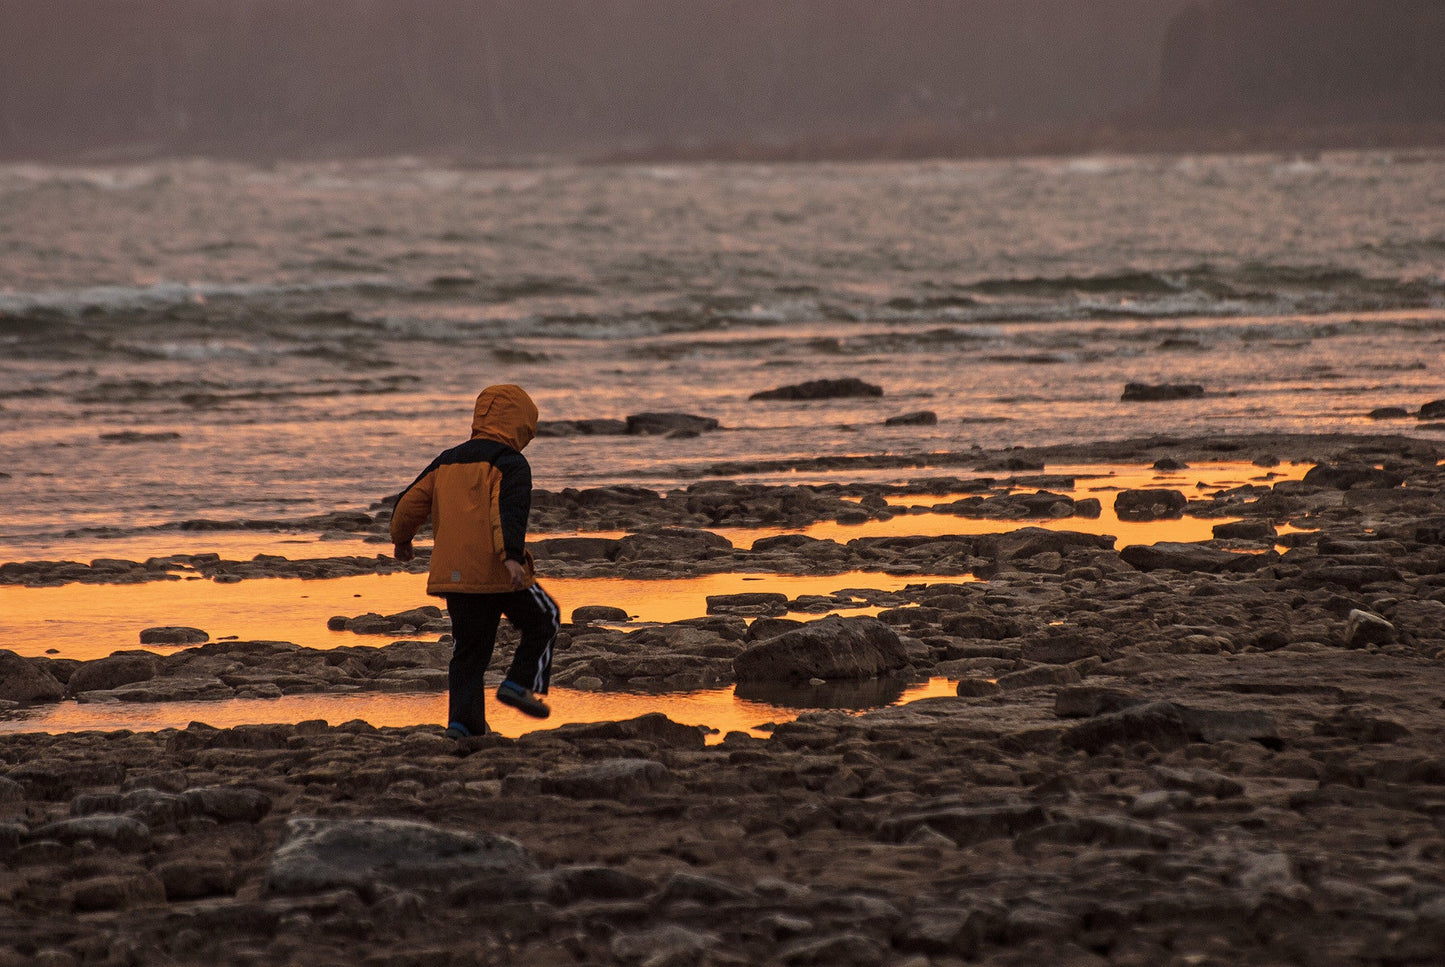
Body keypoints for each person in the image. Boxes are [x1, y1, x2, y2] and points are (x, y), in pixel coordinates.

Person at [390, 384, 558, 738]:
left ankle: (462, 726)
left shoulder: (447, 460)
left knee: (468, 653)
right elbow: (507, 512)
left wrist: (401, 539)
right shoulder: (510, 463)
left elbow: (409, 504)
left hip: (456, 576)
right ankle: (520, 684)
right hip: (499, 572)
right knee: (545, 617)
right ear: (521, 423)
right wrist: (511, 557)